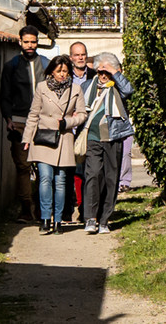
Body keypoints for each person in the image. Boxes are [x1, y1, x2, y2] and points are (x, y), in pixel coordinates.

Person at [23, 54, 87, 234]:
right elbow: (33, 114)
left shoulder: (75, 89)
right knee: (45, 178)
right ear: (51, 71)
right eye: (59, 71)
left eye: (65, 71)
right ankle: (45, 217)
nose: (62, 74)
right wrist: (27, 138)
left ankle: (58, 220)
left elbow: (82, 114)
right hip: (43, 139)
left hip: (63, 139)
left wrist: (68, 122)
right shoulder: (42, 87)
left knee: (60, 182)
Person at [77, 53, 134, 234]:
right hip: (92, 137)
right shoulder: (88, 86)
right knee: (93, 175)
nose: (103, 75)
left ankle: (104, 220)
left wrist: (113, 72)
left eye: (106, 71)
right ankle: (90, 218)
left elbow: (129, 90)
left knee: (111, 178)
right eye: (100, 71)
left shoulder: (118, 87)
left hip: (113, 137)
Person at [0, 26, 46, 222]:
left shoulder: (46, 64)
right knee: (23, 167)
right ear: (20, 42)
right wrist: (8, 119)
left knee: (43, 167)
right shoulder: (12, 66)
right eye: (26, 42)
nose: (30, 45)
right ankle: (26, 208)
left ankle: (42, 208)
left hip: (43, 123)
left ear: (37, 43)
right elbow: (5, 95)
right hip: (19, 122)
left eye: (33, 42)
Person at [63, 42, 93, 223]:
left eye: (83, 54)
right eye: (77, 55)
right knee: (67, 172)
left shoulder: (95, 76)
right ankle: (66, 210)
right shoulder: (64, 77)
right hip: (68, 129)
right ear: (71, 57)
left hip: (86, 130)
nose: (80, 58)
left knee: (85, 172)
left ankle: (84, 210)